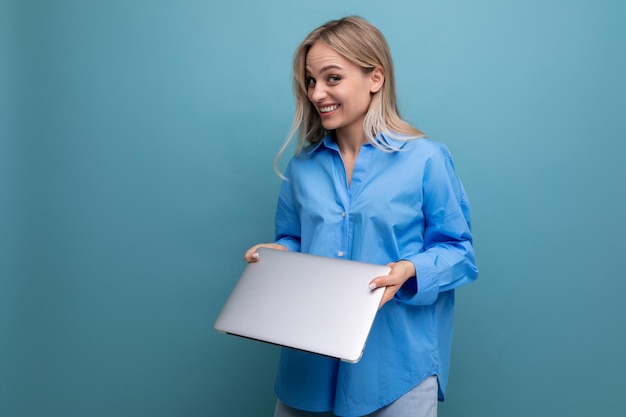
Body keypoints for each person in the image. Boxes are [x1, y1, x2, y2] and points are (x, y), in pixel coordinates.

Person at [244, 16, 478, 417]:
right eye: (311, 81)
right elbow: (295, 239)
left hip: (395, 370)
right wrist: (277, 254)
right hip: (307, 369)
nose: (318, 93)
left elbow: (460, 253)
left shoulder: (426, 159)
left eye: (332, 78)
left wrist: (409, 269)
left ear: (376, 78)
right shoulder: (303, 167)